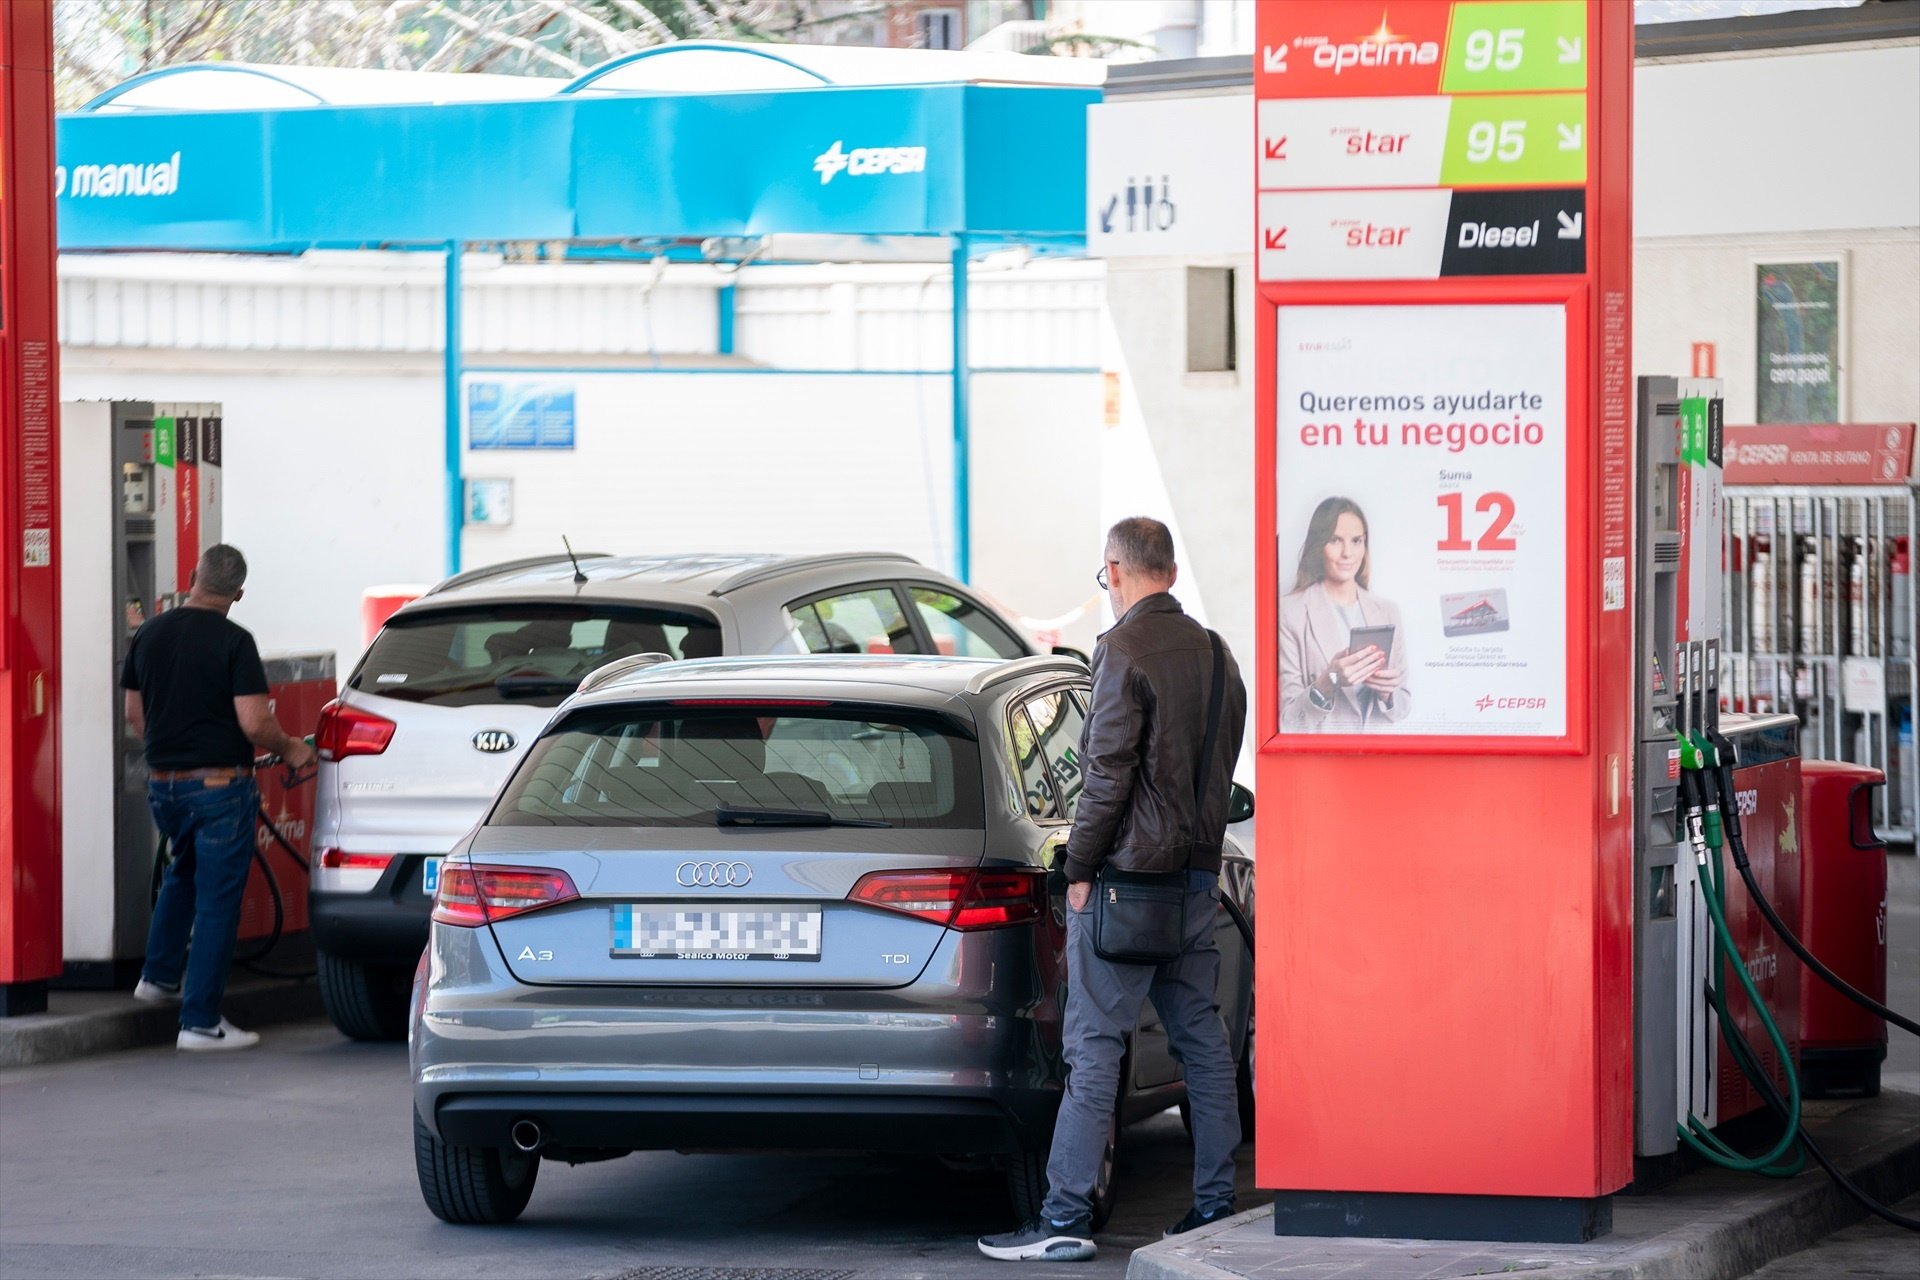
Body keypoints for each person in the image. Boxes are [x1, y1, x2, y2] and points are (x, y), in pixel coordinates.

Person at [978, 517, 1248, 1264]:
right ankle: (1215, 1205)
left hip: (1128, 887)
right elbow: (1217, 772)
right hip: (1196, 884)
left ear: (1119, 569)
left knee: (1093, 1048)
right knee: (1204, 1047)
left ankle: (1063, 1216)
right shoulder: (1220, 657)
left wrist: (1080, 868)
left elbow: (1105, 776)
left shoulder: (1121, 650)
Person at [124, 545, 316, 1051]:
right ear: (239, 593)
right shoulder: (234, 640)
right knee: (217, 901)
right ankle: (201, 1021)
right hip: (218, 787)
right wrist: (293, 748)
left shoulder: (149, 632)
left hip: (164, 784)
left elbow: (135, 715)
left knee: (183, 871)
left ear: (192, 577)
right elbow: (255, 722)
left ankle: (159, 977)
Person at [1278, 496, 1411, 732]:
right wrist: (1328, 682)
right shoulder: (1291, 612)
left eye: (1357, 541)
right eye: (1335, 540)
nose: (1348, 553)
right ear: (1318, 546)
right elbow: (1289, 721)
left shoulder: (1388, 611)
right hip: (1323, 761)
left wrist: (1388, 694)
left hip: (1377, 760)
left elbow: (1403, 707)